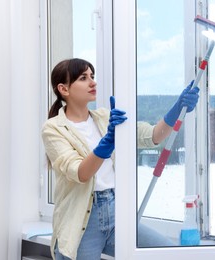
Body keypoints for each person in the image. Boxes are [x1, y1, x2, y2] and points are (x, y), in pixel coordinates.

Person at [41, 58, 200, 260]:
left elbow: (152, 136)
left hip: (115, 212)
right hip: (81, 222)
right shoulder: (53, 128)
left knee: (168, 253)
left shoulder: (104, 117)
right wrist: (107, 143)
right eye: (83, 78)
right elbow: (80, 172)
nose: (92, 82)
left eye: (92, 76)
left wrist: (178, 108)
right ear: (64, 89)